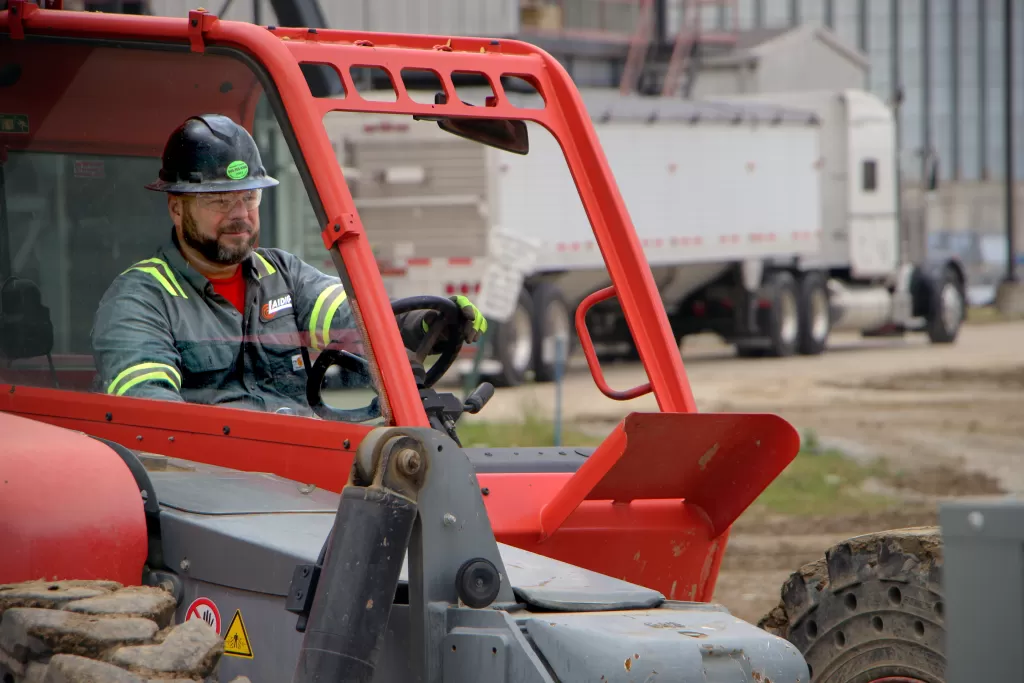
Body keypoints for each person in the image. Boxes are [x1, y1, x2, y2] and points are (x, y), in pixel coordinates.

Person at [90, 114, 486, 416]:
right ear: (176, 208)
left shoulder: (283, 276)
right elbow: (153, 420)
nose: (240, 215)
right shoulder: (139, 301)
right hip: (208, 494)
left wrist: (425, 324)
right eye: (219, 201)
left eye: (249, 198)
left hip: (300, 477)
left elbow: (360, 318)